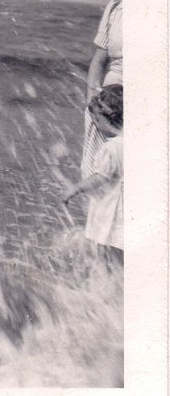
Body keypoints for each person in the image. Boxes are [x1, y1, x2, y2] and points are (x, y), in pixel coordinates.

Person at [64, 85, 123, 267]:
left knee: (105, 247)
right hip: (127, 208)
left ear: (107, 119)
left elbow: (101, 177)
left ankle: (104, 283)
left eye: (96, 121)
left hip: (111, 207)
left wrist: (76, 188)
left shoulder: (110, 148)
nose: (95, 126)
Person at [81, 0, 122, 179]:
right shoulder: (116, 6)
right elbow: (99, 60)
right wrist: (93, 106)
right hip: (107, 107)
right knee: (96, 177)